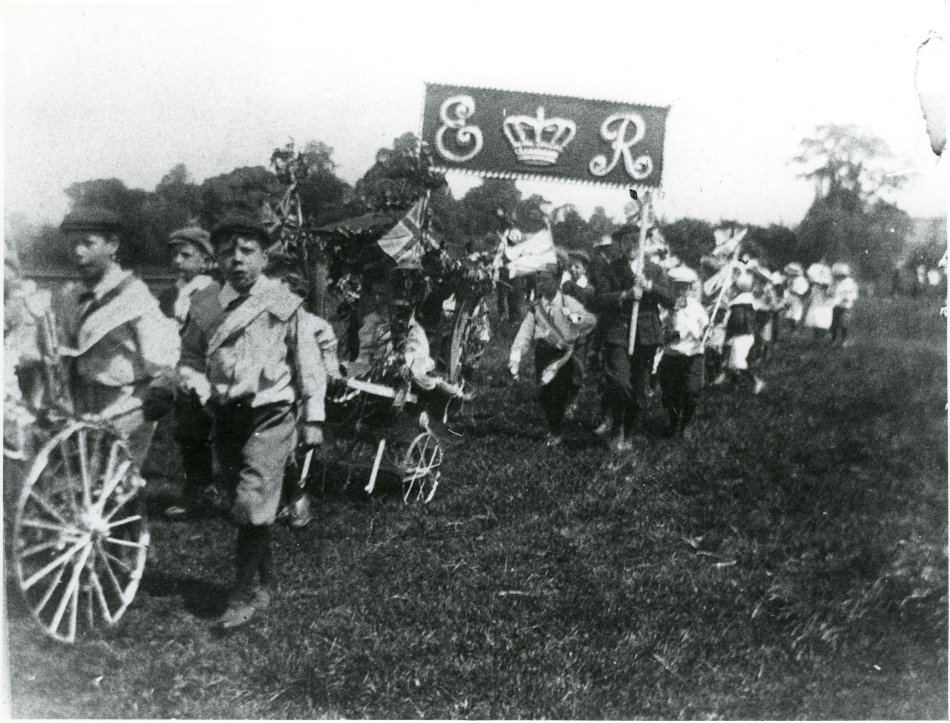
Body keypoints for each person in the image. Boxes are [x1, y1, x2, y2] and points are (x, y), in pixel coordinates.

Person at [178, 213, 327, 630]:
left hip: (272, 411)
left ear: (264, 257)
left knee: (251, 501)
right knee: (243, 504)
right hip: (225, 414)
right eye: (227, 253)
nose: (236, 260)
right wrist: (195, 383)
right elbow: (189, 357)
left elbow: (308, 363)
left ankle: (240, 596)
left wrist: (313, 417)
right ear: (216, 260)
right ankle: (266, 583)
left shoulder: (282, 301)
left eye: (247, 252)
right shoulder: (205, 304)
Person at [58, 207, 180, 467]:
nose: (79, 252)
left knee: (116, 482)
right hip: (81, 399)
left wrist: (138, 408)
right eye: (73, 244)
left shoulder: (134, 297)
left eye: (88, 243)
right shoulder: (71, 296)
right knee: (83, 482)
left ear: (113, 245)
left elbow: (162, 366)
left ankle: (135, 506)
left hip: (125, 401)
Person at [590, 225, 674, 451]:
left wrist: (649, 286)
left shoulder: (654, 270)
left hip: (646, 335)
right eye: (625, 242)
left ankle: (626, 434)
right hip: (618, 332)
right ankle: (616, 425)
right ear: (619, 245)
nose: (630, 246)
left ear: (643, 244)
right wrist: (624, 295)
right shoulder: (611, 271)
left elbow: (670, 300)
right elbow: (596, 301)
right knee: (620, 382)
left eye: (635, 241)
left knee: (638, 389)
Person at [159, 226, 220, 520]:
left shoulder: (214, 294)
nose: (178, 260)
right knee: (189, 434)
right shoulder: (171, 294)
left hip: (210, 372)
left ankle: (279, 493)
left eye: (186, 255)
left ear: (207, 262)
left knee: (232, 435)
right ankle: (198, 489)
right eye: (174, 255)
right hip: (181, 371)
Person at [509, 269, 597, 446]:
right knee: (545, 392)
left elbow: (591, 321)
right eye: (540, 281)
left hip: (562, 356)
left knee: (559, 392)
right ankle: (553, 425)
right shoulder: (536, 308)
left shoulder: (568, 302)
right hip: (543, 353)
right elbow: (525, 333)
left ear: (557, 281)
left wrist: (573, 317)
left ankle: (555, 431)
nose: (542, 284)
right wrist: (516, 356)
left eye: (547, 280)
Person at [657, 266, 709, 437]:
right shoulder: (664, 309)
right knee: (671, 393)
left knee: (692, 391)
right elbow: (660, 334)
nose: (681, 290)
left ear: (690, 288)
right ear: (670, 287)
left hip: (694, 355)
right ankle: (673, 424)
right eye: (677, 286)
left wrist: (708, 331)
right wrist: (676, 333)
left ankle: (685, 424)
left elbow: (706, 326)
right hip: (672, 355)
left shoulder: (697, 307)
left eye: (685, 286)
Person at [713, 273, 765, 394]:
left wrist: (726, 328)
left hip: (742, 335)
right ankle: (733, 385)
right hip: (744, 335)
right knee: (732, 362)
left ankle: (756, 381)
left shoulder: (739, 304)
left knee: (737, 363)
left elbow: (736, 321)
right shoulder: (748, 300)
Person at [830, 262, 858, 346]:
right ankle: (833, 339)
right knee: (833, 323)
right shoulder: (834, 282)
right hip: (835, 305)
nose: (838, 277)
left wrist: (847, 298)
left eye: (840, 275)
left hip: (845, 306)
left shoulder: (849, 282)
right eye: (836, 275)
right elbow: (831, 291)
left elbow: (853, 293)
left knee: (843, 323)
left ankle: (844, 339)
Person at [782, 263, 809, 335]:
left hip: (797, 299)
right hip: (789, 298)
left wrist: (796, 293)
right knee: (788, 315)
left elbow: (803, 290)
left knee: (796, 315)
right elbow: (787, 288)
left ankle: (796, 329)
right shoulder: (790, 279)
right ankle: (791, 328)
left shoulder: (801, 280)